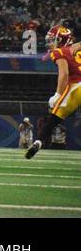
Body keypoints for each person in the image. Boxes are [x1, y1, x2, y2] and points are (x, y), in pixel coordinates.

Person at [25, 25, 81, 160]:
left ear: (62, 40)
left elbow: (64, 74)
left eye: (52, 40)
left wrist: (57, 94)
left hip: (76, 86)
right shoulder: (74, 48)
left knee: (53, 119)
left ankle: (38, 142)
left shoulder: (58, 52)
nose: (49, 43)